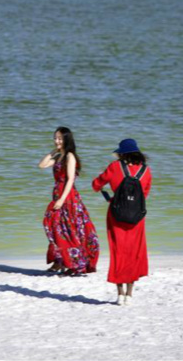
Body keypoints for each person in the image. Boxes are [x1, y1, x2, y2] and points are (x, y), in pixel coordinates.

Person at [92, 138, 152, 306]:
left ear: (122, 154)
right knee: (133, 253)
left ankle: (120, 294)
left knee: (118, 252)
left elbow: (96, 185)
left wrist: (108, 191)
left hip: (116, 215)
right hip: (137, 217)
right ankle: (129, 295)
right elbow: (144, 194)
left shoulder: (114, 167)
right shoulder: (146, 171)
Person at [38, 126, 100, 275]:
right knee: (53, 225)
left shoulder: (70, 156)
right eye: (55, 138)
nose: (56, 141)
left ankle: (74, 263)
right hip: (57, 192)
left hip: (68, 195)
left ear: (66, 139)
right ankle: (60, 260)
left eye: (60, 138)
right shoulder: (59, 156)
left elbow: (71, 179)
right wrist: (54, 151)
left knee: (69, 228)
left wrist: (62, 199)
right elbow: (41, 165)